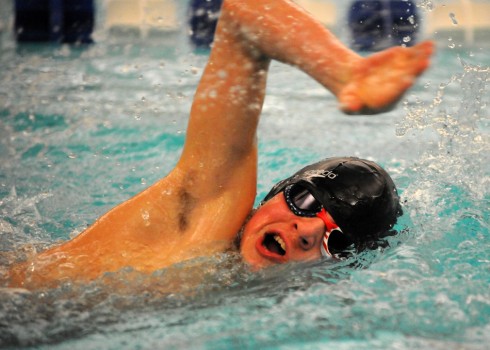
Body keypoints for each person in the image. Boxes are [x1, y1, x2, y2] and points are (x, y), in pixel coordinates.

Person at [8, 0, 433, 289]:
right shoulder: (205, 216)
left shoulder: (255, 292)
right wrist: (344, 72)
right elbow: (242, 14)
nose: (305, 230)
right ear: (271, 193)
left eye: (335, 242)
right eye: (303, 200)